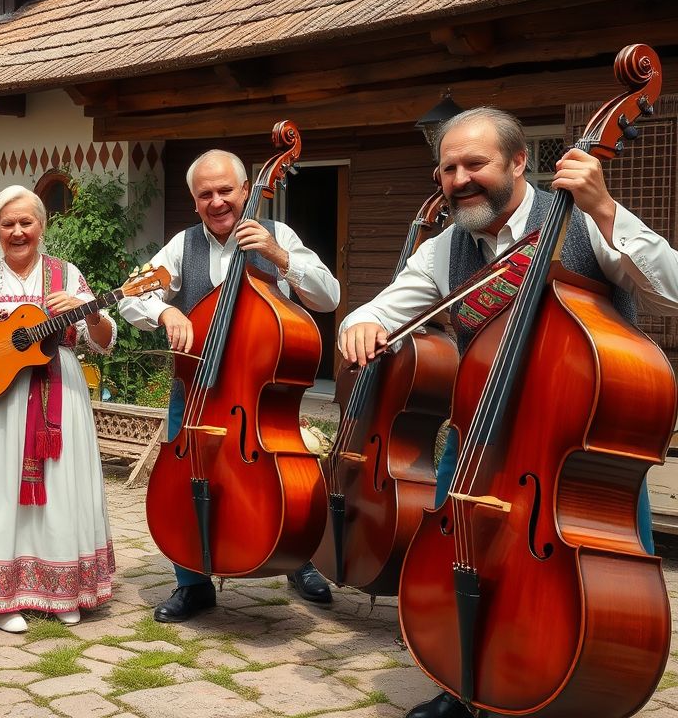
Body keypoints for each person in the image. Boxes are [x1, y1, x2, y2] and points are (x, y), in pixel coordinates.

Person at [339, 107, 678, 718]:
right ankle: (461, 683)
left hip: (573, 452)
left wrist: (605, 209)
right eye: (448, 168)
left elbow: (672, 294)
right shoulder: (447, 249)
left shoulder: (581, 221)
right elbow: (383, 310)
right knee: (459, 560)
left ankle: (574, 686)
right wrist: (360, 326)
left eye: (477, 163)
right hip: (478, 441)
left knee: (596, 594)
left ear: (520, 162)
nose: (461, 179)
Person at [118, 149, 341, 622]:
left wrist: (279, 257)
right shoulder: (182, 246)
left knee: (284, 478)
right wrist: (165, 310)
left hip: (257, 396)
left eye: (225, 191)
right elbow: (130, 297)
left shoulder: (277, 236)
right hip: (196, 391)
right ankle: (193, 583)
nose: (217, 202)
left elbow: (328, 295)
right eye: (206, 194)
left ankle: (295, 558)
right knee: (185, 481)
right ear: (195, 200)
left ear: (245, 190)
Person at [0, 185, 117, 633]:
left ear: (42, 226)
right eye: (8, 223)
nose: (18, 231)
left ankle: (63, 589)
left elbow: (104, 342)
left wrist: (87, 313)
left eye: (26, 222)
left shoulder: (68, 276)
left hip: (59, 391)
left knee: (60, 486)